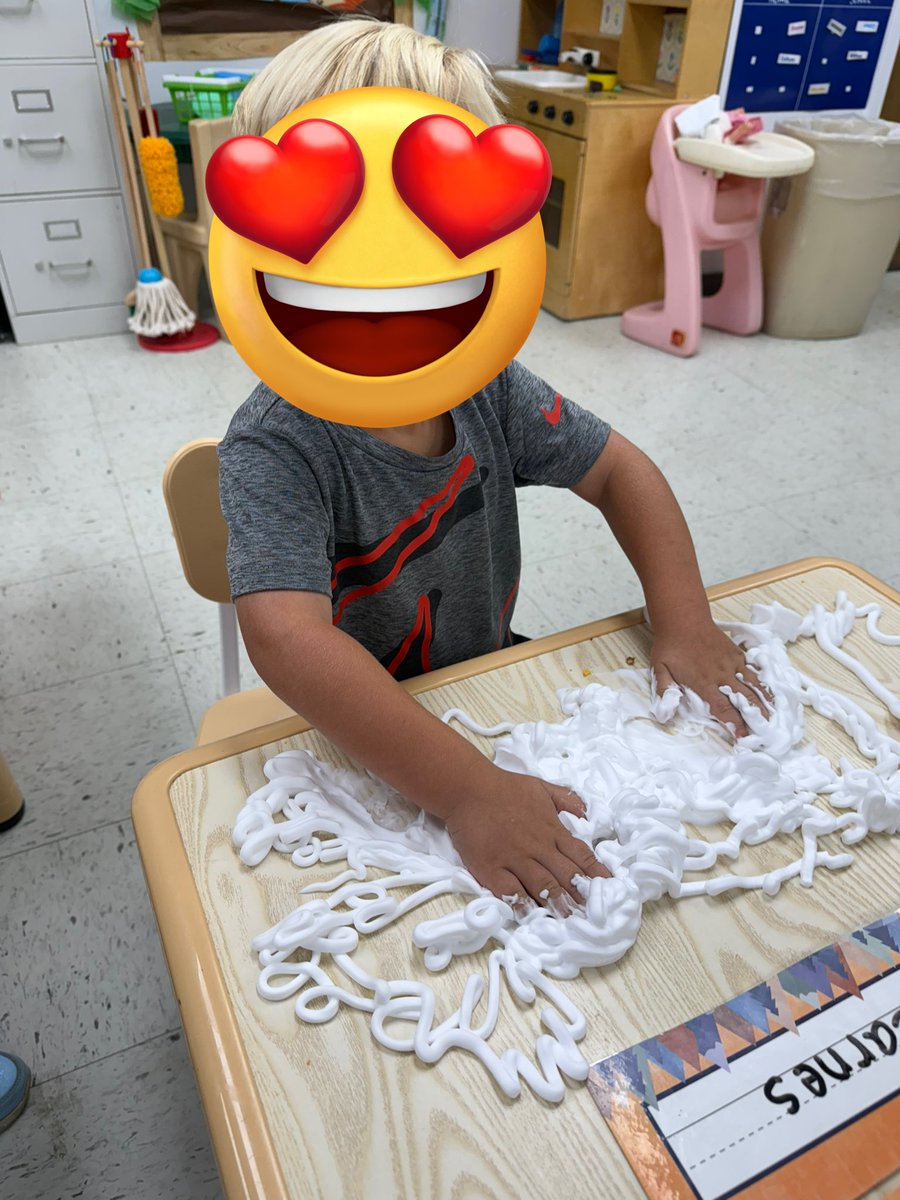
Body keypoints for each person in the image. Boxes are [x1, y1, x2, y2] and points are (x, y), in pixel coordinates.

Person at [218, 18, 768, 912]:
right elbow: (288, 641)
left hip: (485, 680)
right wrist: (470, 791)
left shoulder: (487, 388)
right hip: (359, 736)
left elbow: (623, 473)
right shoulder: (276, 444)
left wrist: (686, 625)